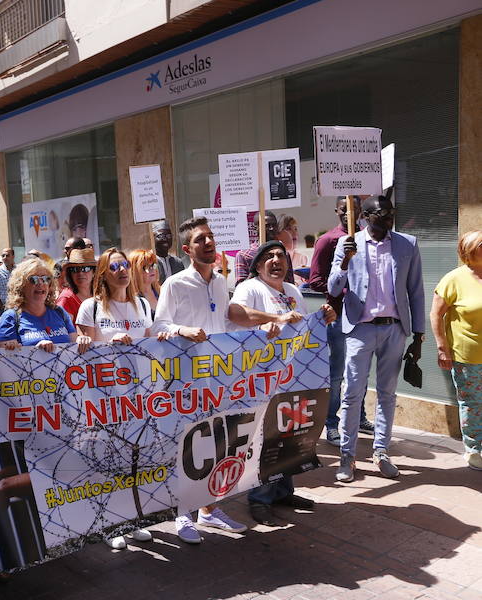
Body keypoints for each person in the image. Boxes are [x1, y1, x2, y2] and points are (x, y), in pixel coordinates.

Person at [153, 217, 306, 539]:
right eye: (200, 240)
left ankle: (208, 509)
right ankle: (183, 514)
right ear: (187, 249)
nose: (208, 243)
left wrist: (263, 328)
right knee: (186, 444)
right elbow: (158, 327)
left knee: (216, 444)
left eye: (210, 237)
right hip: (186, 379)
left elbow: (231, 324)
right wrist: (182, 331)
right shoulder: (175, 284)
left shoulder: (222, 283)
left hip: (220, 379)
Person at [231, 241, 335, 525]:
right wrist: (276, 317)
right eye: (268, 256)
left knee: (289, 434)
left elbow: (300, 328)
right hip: (262, 376)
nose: (276, 260)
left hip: (292, 376)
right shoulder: (250, 288)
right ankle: (260, 499)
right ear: (257, 265)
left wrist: (322, 319)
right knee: (265, 438)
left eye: (281, 255)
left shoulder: (292, 291)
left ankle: (282, 491)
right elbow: (236, 314)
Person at [330, 194, 425, 483]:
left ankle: (381, 450)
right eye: (382, 216)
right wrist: (345, 262)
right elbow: (334, 288)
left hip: (394, 329)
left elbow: (416, 291)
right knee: (352, 394)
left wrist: (418, 335)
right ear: (366, 217)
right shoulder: (349, 243)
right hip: (359, 329)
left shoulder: (407, 244)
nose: (388, 220)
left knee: (387, 393)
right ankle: (347, 455)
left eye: (391, 214)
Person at [74, 248, 153, 549]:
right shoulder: (90, 308)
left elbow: (148, 349)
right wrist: (111, 347)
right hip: (103, 397)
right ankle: (108, 524)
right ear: (103, 274)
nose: (122, 270)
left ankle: (131, 519)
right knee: (105, 460)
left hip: (136, 396)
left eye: (124, 265)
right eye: (114, 266)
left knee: (133, 459)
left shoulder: (142, 305)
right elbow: (85, 355)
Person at [308, 197, 372, 447]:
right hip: (337, 315)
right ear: (338, 211)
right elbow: (315, 280)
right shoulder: (328, 240)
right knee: (337, 373)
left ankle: (361, 416)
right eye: (346, 211)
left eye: (356, 211)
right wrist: (347, 291)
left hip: (364, 317)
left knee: (361, 370)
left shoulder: (368, 239)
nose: (351, 216)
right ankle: (332, 423)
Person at [431, 231, 482, 470]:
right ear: (469, 251)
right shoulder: (453, 279)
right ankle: (474, 450)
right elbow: (436, 315)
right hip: (468, 356)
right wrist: (443, 348)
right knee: (472, 403)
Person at [0, 258, 91, 352]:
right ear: (21, 285)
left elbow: (73, 347)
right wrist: (35, 351)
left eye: (46, 279)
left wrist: (81, 341)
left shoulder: (60, 312)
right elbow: (5, 360)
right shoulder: (10, 317)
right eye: (34, 279)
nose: (41, 283)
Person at [234, 211, 294, 285]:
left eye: (274, 225)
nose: (272, 228)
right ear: (256, 228)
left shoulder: (283, 254)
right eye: (267, 225)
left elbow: (290, 283)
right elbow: (240, 288)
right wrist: (257, 266)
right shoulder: (244, 255)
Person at [57, 248, 96, 323]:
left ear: (94, 272)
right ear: (70, 274)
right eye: (75, 269)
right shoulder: (66, 299)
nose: (80, 273)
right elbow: (63, 331)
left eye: (86, 269)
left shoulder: (101, 294)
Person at [129, 249, 160, 318]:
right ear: (134, 271)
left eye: (153, 265)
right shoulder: (131, 299)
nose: (151, 269)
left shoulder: (162, 291)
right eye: (145, 267)